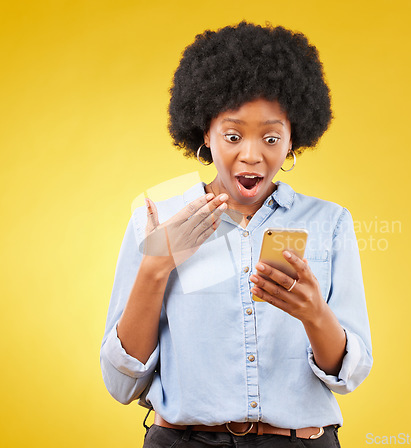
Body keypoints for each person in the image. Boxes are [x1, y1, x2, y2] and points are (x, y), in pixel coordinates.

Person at [100, 21, 373, 448]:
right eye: (232, 135)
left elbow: (348, 377)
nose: (251, 155)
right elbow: (121, 385)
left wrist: (314, 313)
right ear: (204, 134)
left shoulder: (329, 222)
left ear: (292, 140)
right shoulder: (156, 219)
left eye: (270, 137)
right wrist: (156, 266)